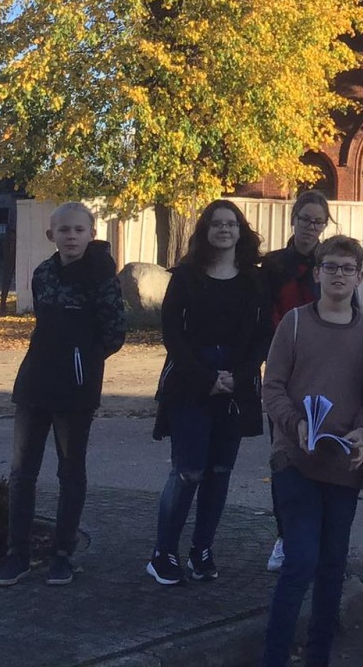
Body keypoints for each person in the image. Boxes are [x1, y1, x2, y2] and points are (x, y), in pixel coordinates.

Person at [260, 234, 363, 667]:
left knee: (332, 566)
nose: (338, 276)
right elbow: (272, 388)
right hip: (295, 460)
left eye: (347, 269)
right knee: (300, 562)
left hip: (343, 466)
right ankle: (274, 656)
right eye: (330, 267)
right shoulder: (294, 324)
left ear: (360, 277)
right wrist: (295, 424)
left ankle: (318, 655)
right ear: (317, 273)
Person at [0, 202, 127, 586]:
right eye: (64, 230)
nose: (71, 237)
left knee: (70, 471)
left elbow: (115, 332)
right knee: (22, 472)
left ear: (91, 233)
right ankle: (17, 554)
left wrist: (82, 361)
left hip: (76, 390)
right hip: (34, 383)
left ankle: (63, 554)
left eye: (78, 230)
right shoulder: (43, 273)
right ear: (51, 235)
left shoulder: (101, 277)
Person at [146, 200, 271, 586]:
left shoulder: (254, 280)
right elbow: (172, 334)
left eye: (231, 223)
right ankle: (163, 553)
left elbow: (263, 335)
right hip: (190, 382)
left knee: (219, 472)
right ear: (205, 230)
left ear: (240, 230)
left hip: (237, 384)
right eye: (216, 224)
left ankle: (201, 550)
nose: (224, 229)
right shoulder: (185, 277)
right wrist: (205, 379)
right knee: (189, 470)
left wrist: (239, 376)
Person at [260, 188, 333, 572]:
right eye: (305, 219)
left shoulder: (332, 262)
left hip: (325, 370)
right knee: (284, 456)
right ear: (293, 219)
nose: (310, 227)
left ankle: (317, 536)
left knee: (322, 454)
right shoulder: (273, 265)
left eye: (318, 222)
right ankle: (285, 535)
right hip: (284, 371)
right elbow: (263, 317)